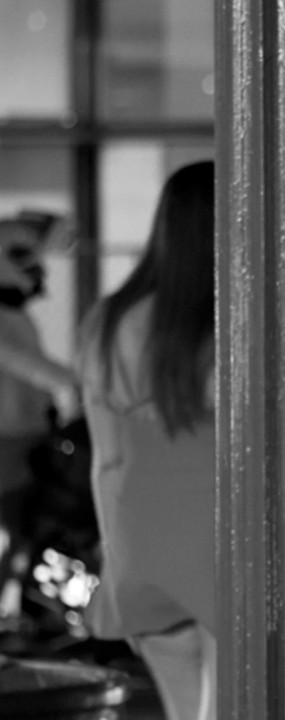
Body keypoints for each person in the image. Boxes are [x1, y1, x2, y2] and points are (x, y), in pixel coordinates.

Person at [76, 161, 216, 720]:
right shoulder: (242, 320)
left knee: (183, 713)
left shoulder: (110, 323)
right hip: (225, 539)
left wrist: (118, 560)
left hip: (142, 536)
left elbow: (105, 460)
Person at [0, 214, 80, 627]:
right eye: (19, 254)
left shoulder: (17, 316)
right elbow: (40, 372)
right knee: (10, 536)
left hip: (25, 442)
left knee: (23, 535)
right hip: (8, 445)